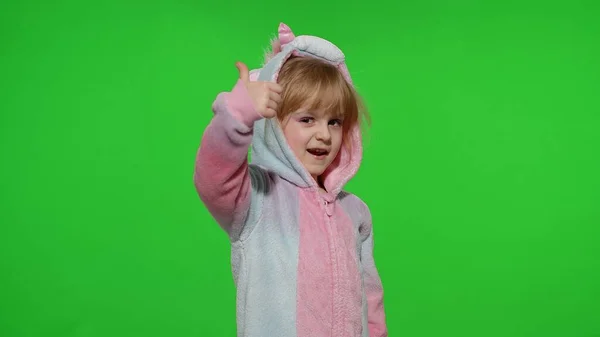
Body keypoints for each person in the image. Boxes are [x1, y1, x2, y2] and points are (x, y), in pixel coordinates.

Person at [193, 22, 387, 337]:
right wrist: (238, 116)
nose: (324, 134)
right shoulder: (256, 196)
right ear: (270, 123)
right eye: (307, 119)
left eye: (335, 121)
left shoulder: (355, 212)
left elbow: (370, 295)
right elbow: (213, 178)